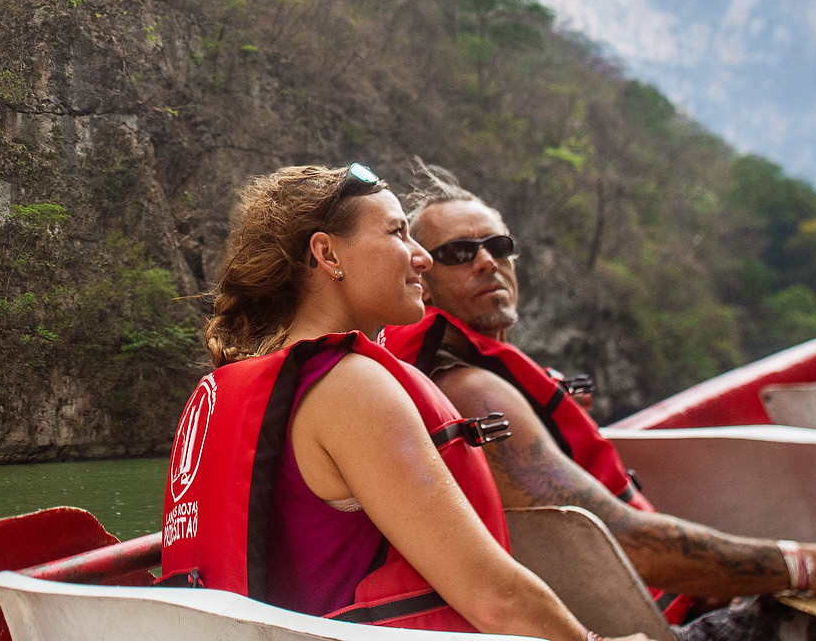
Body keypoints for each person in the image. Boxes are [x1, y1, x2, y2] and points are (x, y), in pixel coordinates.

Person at [383, 162, 816, 641]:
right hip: (640, 631)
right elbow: (621, 542)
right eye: (457, 253)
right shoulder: (473, 392)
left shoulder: (465, 377)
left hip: (649, 606)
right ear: (422, 282)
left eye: (498, 246)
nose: (486, 263)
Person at [161, 162, 653, 641]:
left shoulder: (225, 393)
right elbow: (493, 595)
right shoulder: (348, 386)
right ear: (328, 255)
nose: (423, 257)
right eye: (398, 233)